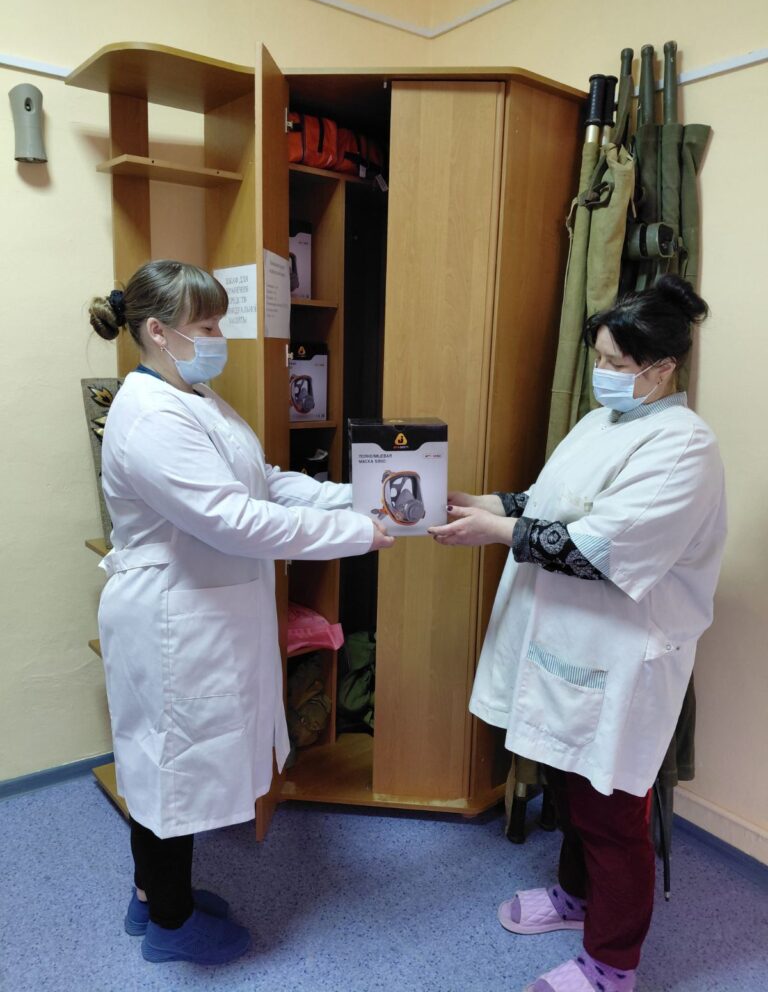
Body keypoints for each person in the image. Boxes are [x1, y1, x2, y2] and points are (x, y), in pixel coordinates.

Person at [88, 260, 394, 966]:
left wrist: (356, 498)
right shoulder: (151, 416)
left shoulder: (193, 396)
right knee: (171, 769)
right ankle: (168, 925)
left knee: (171, 765)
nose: (219, 337)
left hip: (202, 610)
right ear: (158, 331)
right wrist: (356, 533)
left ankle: (152, 897)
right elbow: (234, 519)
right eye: (206, 325)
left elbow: (263, 483)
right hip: (173, 619)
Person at [429, 275, 726, 992]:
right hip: (569, 642)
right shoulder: (604, 423)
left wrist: (495, 529)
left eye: (617, 364)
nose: (603, 374)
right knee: (571, 785)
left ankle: (612, 965)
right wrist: (478, 503)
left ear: (663, 368)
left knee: (612, 814)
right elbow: (548, 502)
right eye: (599, 359)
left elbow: (598, 548)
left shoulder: (683, 446)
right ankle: (575, 899)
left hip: (622, 655)